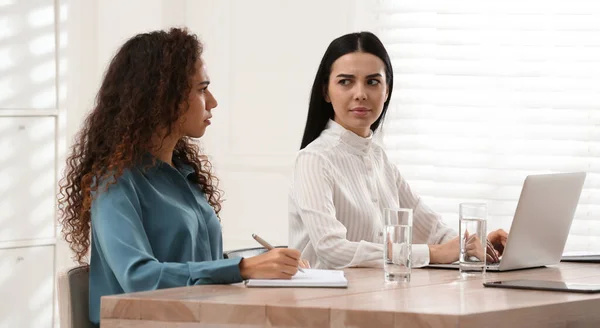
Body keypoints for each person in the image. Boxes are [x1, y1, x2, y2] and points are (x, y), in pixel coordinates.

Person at [58, 28, 306, 326]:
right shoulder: (115, 182)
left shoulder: (185, 175)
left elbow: (201, 268)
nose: (212, 101)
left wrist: (263, 263)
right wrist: (242, 268)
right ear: (162, 98)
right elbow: (138, 277)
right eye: (201, 89)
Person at [288, 31, 507, 269]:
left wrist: (473, 244)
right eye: (345, 82)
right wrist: (434, 253)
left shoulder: (379, 159)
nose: (360, 94)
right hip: (324, 301)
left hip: (377, 296)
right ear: (325, 92)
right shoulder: (314, 159)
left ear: (387, 91)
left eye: (372, 82)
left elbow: (431, 229)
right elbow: (332, 249)